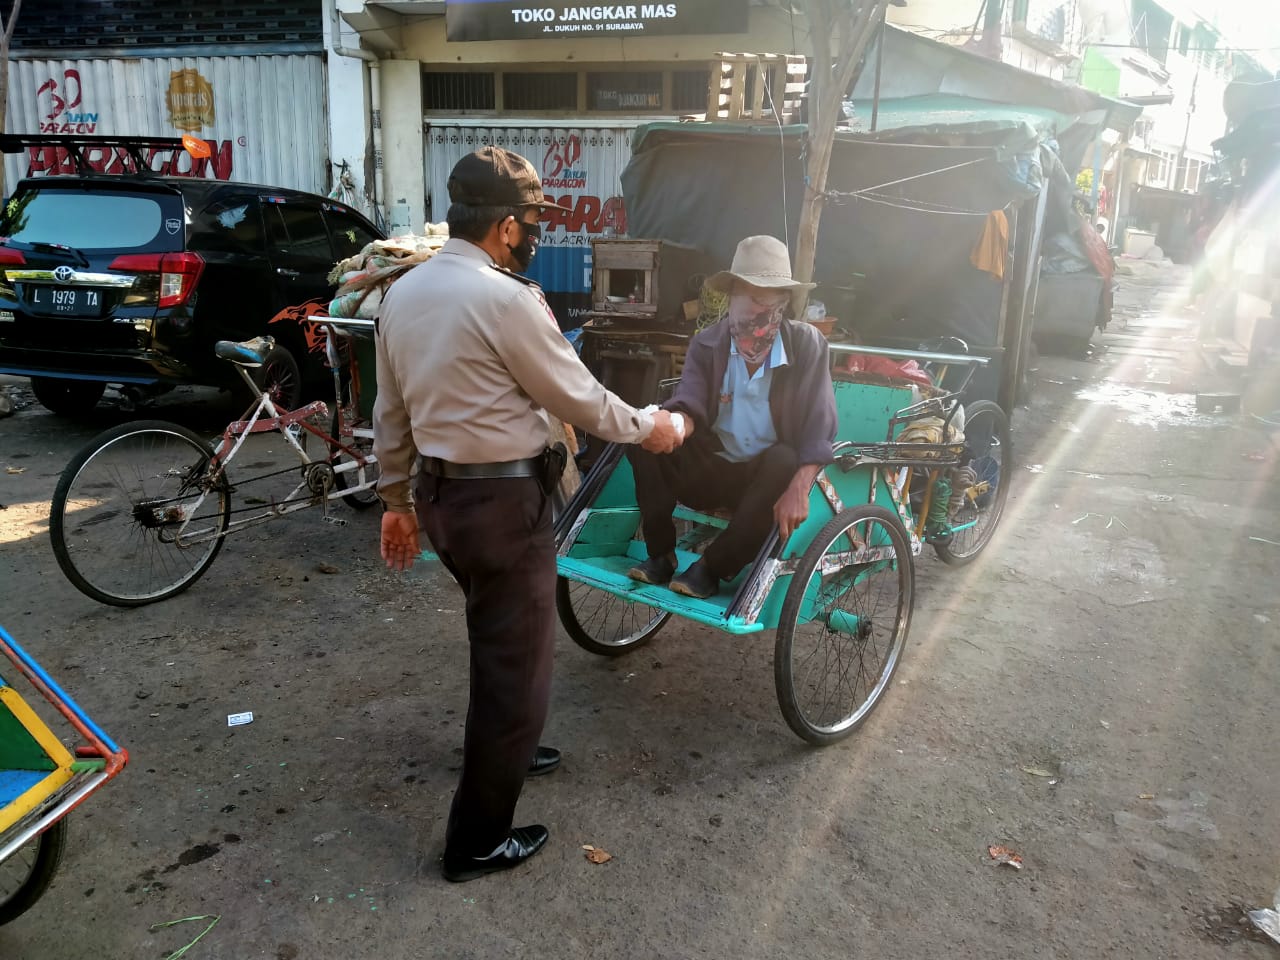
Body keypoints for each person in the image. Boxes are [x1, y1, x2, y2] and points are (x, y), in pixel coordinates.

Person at [373, 146, 681, 882]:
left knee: (497, 637)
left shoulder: (404, 295)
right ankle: (476, 842)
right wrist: (654, 426)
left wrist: (394, 502)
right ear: (507, 227)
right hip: (505, 507)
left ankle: (511, 744)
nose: (536, 234)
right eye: (533, 222)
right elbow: (581, 398)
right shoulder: (505, 299)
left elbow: (390, 413)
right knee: (519, 665)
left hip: (443, 503)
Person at [626, 235, 838, 599]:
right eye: (746, 293)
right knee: (644, 437)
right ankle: (660, 554)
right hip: (713, 469)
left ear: (782, 300)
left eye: (765, 296)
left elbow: (820, 425)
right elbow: (689, 402)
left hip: (765, 483)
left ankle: (711, 568)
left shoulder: (806, 345)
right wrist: (669, 424)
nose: (753, 305)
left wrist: (800, 487)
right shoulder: (708, 342)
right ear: (732, 293)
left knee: (784, 457)